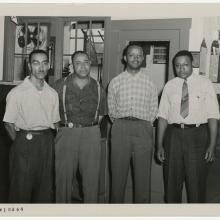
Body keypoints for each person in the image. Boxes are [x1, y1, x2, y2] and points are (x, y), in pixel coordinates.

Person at [157, 50, 220, 203]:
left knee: (196, 185)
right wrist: (159, 145)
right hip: (173, 136)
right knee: (171, 184)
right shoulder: (169, 86)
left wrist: (212, 145)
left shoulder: (205, 84)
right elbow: (162, 117)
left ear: (192, 64)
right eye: (177, 65)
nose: (181, 68)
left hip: (198, 136)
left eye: (185, 65)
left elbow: (213, 116)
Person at [3, 49, 60, 203]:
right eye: (36, 63)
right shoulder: (17, 93)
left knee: (45, 189)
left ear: (49, 66)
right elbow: (8, 122)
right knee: (20, 189)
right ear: (29, 66)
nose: (41, 67)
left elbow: (55, 123)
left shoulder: (53, 93)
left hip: (47, 142)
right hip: (24, 141)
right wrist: (20, 142)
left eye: (44, 63)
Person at [108, 44, 158, 203]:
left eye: (139, 55)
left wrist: (144, 125)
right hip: (120, 128)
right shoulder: (115, 82)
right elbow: (111, 110)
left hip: (143, 128)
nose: (135, 58)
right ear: (125, 58)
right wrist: (121, 123)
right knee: (117, 176)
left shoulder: (150, 82)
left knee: (143, 178)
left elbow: (153, 110)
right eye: (131, 55)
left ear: (143, 58)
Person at [53, 50, 106, 203]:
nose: (82, 66)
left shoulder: (98, 87)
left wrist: (90, 127)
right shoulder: (59, 85)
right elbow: (51, 112)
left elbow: (101, 114)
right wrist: (61, 129)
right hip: (66, 133)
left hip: (91, 133)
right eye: (78, 63)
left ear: (90, 64)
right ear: (72, 65)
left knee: (91, 179)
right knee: (63, 179)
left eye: (86, 62)